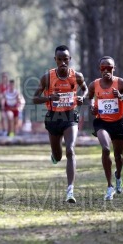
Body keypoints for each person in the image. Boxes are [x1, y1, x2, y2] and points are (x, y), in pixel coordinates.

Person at [32, 45, 87, 203]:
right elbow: (34, 98)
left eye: (66, 59)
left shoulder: (77, 76)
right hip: (53, 118)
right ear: (55, 60)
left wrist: (83, 97)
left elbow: (86, 90)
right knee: (58, 155)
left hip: (70, 116)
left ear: (69, 60)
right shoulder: (47, 78)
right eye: (59, 59)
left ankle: (70, 190)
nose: (63, 62)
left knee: (70, 149)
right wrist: (49, 98)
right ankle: (55, 155)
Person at [87, 56, 123, 201]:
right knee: (105, 149)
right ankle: (109, 186)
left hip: (118, 123)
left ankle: (118, 176)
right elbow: (90, 96)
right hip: (101, 122)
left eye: (109, 68)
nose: (106, 71)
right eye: (103, 68)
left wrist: (122, 98)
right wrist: (92, 106)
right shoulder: (94, 84)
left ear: (113, 68)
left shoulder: (121, 83)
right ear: (99, 70)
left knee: (119, 157)